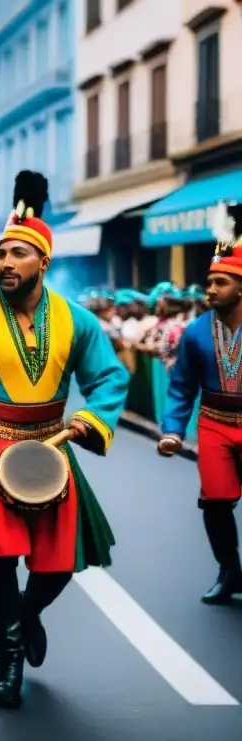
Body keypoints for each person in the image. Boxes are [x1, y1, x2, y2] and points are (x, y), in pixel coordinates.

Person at [0, 170, 130, 710]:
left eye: (18, 253)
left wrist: (93, 420)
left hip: (52, 446)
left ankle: (25, 613)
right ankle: (9, 656)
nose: (6, 262)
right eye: (1, 253)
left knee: (59, 563)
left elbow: (108, 378)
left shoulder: (77, 321)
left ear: (44, 262)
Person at [159, 202, 242, 605]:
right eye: (210, 282)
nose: (209, 289)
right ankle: (229, 570)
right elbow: (180, 388)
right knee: (215, 499)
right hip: (213, 424)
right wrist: (173, 430)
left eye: (219, 283)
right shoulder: (193, 333)